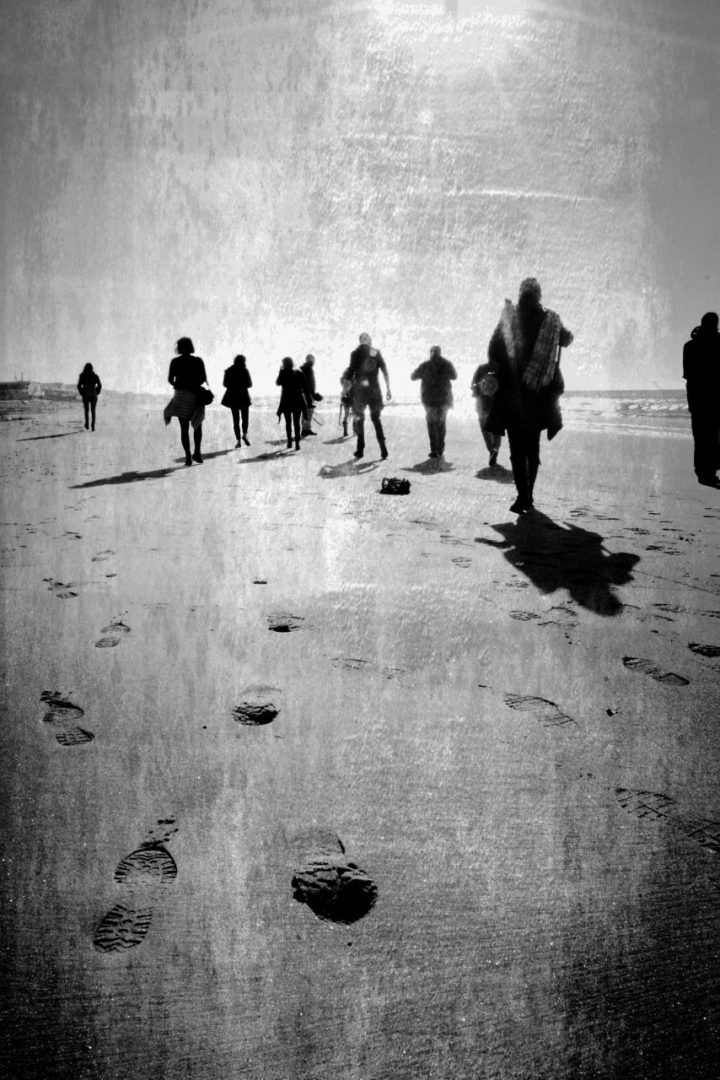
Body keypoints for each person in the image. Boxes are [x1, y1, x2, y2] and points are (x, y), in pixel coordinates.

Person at [485, 278, 573, 514]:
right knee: (532, 447)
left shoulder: (510, 317)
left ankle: (522, 495)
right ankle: (529, 495)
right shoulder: (550, 319)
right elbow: (566, 339)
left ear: (520, 294)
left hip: (512, 393)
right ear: (539, 295)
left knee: (516, 448)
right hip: (537, 394)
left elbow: (493, 349)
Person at [682, 312, 720, 488]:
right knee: (711, 435)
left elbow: (688, 374)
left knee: (702, 435)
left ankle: (705, 472)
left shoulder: (690, 345)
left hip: (698, 396)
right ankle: (708, 472)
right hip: (711, 396)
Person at [163, 337, 210, 465]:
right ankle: (197, 453)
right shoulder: (198, 361)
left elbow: (170, 379)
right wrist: (193, 384)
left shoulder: (175, 361)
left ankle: (188, 457)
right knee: (197, 425)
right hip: (196, 395)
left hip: (181, 396)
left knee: (184, 429)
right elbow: (203, 378)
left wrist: (179, 384)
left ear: (179, 348)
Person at [347, 332, 391, 460]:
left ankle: (360, 450)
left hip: (360, 392)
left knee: (360, 420)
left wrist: (346, 389)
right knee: (376, 419)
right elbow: (385, 370)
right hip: (374, 392)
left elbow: (350, 372)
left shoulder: (355, 353)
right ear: (369, 340)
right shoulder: (375, 352)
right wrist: (388, 388)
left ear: (360, 340)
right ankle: (383, 448)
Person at [410, 345, 457, 459]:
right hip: (444, 398)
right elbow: (454, 376)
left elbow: (413, 376)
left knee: (432, 424)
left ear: (430, 353)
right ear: (440, 353)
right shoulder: (447, 364)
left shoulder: (425, 365)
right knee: (441, 423)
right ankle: (440, 447)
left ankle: (435, 449)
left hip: (429, 399)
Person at [470, 361, 503, 467]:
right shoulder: (502, 369)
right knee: (497, 431)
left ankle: (491, 449)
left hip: (482, 405)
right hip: (497, 405)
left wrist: (478, 387)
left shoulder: (481, 368)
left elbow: (473, 385)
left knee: (485, 430)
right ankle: (495, 448)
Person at [276, 357, 310, 450]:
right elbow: (306, 387)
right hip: (297, 400)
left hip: (286, 401)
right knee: (296, 422)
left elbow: (278, 383)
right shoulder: (299, 372)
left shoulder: (283, 373)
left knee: (288, 423)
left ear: (285, 364)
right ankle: (297, 443)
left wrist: (280, 372)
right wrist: (308, 402)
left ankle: (290, 442)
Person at [221, 354, 253, 448]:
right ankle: (244, 435)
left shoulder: (229, 370)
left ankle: (238, 441)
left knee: (236, 420)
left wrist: (233, 385)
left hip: (233, 397)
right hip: (243, 396)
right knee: (245, 418)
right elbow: (249, 384)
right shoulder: (244, 370)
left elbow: (225, 384)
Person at [299, 354, 322, 437]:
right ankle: (305, 430)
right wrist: (313, 394)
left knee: (307, 411)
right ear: (310, 360)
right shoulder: (308, 369)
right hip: (307, 394)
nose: (313, 362)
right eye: (312, 360)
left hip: (305, 393)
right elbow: (309, 384)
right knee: (308, 411)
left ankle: (305, 429)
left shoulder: (304, 369)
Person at [77, 363, 102, 430]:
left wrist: (82, 392)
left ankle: (87, 425)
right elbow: (99, 385)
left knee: (86, 410)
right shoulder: (95, 376)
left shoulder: (82, 376)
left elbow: (79, 386)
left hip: (85, 395)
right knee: (93, 410)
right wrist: (97, 392)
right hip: (94, 395)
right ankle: (93, 426)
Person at [339, 368, 353, 437]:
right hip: (348, 399)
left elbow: (344, 391)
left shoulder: (344, 380)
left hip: (345, 399)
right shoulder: (349, 381)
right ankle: (353, 430)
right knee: (353, 414)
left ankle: (345, 431)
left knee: (347, 414)